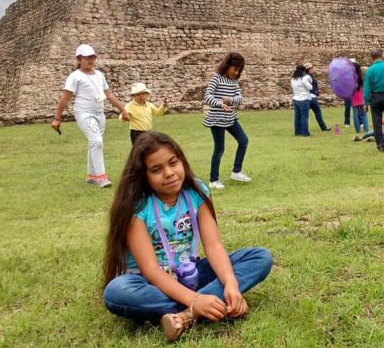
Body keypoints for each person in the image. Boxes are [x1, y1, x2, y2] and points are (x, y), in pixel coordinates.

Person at [101, 131, 273, 342]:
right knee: (116, 292)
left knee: (259, 257)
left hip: (189, 274)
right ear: (143, 176)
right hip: (148, 282)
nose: (169, 173)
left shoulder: (197, 192)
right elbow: (151, 270)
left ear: (182, 160)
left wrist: (231, 283)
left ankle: (186, 316)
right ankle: (209, 304)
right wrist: (196, 300)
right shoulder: (136, 206)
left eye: (173, 163)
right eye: (156, 170)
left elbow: (214, 247)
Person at [51, 44, 130, 187]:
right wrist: (57, 118)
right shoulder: (75, 77)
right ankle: (101, 176)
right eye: (87, 57)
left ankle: (92, 175)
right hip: (84, 112)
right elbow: (65, 98)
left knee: (94, 143)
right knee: (97, 142)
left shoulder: (100, 75)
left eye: (93, 57)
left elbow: (109, 94)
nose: (91, 60)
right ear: (79, 59)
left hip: (99, 113)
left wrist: (122, 110)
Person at [203, 52, 251, 190]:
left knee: (243, 140)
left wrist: (229, 100)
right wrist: (219, 103)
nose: (236, 72)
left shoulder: (234, 81)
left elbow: (239, 97)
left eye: (239, 70)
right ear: (227, 65)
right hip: (217, 119)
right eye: (234, 69)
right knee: (219, 149)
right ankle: (213, 180)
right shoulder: (216, 78)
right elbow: (208, 96)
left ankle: (236, 171)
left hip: (230, 117)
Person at [303, 62, 330, 131]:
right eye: (311, 68)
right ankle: (323, 127)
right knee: (317, 112)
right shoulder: (308, 77)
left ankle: (303, 128)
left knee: (305, 114)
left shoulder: (308, 76)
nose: (313, 69)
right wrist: (312, 89)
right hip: (311, 97)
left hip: (308, 96)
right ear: (308, 69)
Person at [291, 65, 312, 136]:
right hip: (303, 98)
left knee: (297, 117)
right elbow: (310, 87)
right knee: (304, 116)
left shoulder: (293, 79)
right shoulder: (303, 79)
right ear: (303, 71)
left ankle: (297, 132)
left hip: (296, 98)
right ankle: (305, 133)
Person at [350, 62, 368, 133]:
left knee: (355, 115)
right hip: (361, 96)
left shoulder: (352, 77)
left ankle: (358, 130)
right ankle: (366, 129)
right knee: (364, 114)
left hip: (354, 96)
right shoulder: (362, 76)